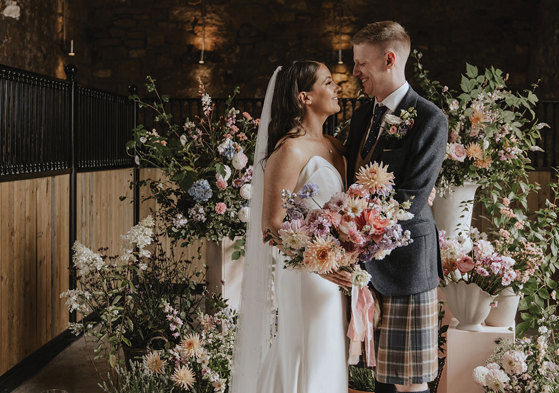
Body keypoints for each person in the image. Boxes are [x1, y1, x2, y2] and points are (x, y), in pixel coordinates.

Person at [230, 61, 352, 393]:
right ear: (305, 97)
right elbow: (270, 225)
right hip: (306, 274)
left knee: (330, 351)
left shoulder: (336, 146)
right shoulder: (289, 150)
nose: (336, 87)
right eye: (327, 82)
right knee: (307, 351)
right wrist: (319, 265)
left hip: (336, 268)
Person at [346, 21, 447, 393]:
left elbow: (413, 196)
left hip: (407, 265)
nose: (355, 71)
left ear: (389, 59)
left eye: (361, 63)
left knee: (409, 382)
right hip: (363, 267)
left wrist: (353, 230)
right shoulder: (361, 116)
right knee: (380, 382)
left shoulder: (430, 118)